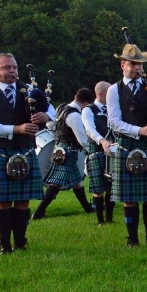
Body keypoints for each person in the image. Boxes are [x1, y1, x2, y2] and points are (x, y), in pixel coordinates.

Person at [0, 52, 49, 253]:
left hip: (25, 150)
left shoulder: (29, 91)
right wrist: (16, 129)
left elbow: (50, 110)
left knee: (23, 201)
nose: (12, 71)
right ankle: (5, 245)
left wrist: (46, 115)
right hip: (0, 151)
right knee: (4, 201)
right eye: (7, 67)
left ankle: (20, 242)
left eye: (14, 67)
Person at [107, 41, 147, 246]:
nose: (137, 68)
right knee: (130, 198)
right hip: (128, 145)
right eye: (133, 64)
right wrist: (139, 130)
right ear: (122, 65)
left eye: (140, 64)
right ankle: (132, 239)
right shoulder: (113, 90)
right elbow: (114, 122)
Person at [33, 87, 97, 219]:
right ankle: (39, 212)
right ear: (86, 104)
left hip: (61, 148)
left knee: (77, 181)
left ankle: (88, 208)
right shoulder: (75, 116)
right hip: (68, 151)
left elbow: (51, 124)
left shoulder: (62, 107)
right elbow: (82, 138)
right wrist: (92, 150)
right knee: (56, 183)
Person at [81, 81, 115, 225]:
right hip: (97, 152)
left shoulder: (113, 109)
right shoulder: (88, 110)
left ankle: (109, 218)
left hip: (113, 152)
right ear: (101, 94)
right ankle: (100, 220)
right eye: (109, 93)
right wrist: (102, 141)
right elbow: (90, 129)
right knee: (99, 188)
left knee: (112, 187)